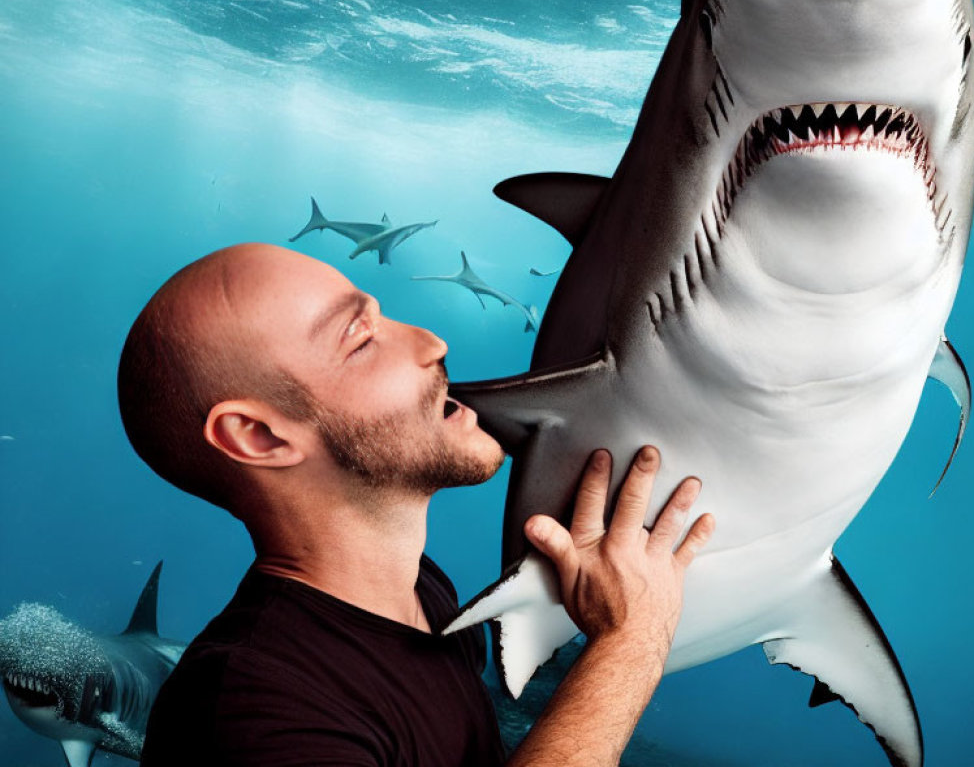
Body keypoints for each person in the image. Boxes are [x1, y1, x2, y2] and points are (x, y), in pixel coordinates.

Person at [117, 242, 715, 767]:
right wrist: (629, 639)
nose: (432, 343)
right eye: (360, 341)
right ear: (261, 436)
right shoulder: (251, 714)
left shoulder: (423, 594)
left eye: (381, 314)